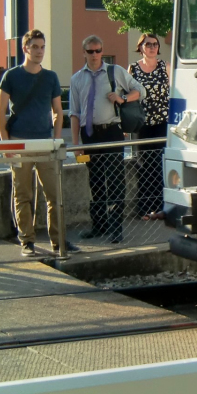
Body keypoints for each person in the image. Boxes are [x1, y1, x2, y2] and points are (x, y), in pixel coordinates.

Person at [0, 29, 69, 258]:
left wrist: (56, 139)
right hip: (19, 142)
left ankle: (58, 241)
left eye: (42, 47)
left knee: (54, 195)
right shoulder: (11, 76)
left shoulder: (51, 77)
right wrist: (5, 144)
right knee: (23, 194)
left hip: (45, 143)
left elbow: (58, 111)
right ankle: (27, 241)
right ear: (25, 48)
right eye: (35, 47)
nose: (39, 51)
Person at [69, 35, 145, 243]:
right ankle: (99, 226)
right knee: (95, 182)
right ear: (83, 52)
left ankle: (115, 228)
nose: (95, 55)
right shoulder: (77, 79)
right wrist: (76, 144)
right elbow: (74, 113)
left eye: (98, 50)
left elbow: (140, 90)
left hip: (112, 131)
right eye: (90, 51)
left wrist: (122, 99)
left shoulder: (115, 71)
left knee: (115, 181)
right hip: (89, 134)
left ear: (102, 51)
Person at [129, 32, 170, 221]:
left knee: (161, 164)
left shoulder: (165, 67)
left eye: (155, 44)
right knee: (143, 165)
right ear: (140, 48)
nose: (152, 47)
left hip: (162, 123)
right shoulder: (133, 69)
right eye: (148, 44)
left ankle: (162, 208)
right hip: (142, 124)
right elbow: (126, 95)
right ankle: (145, 209)